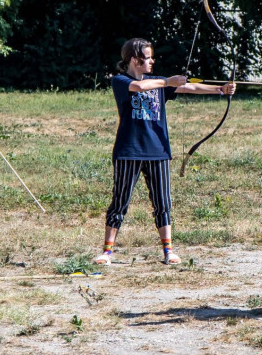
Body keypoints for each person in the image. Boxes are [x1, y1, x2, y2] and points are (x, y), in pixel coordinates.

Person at [93, 38, 236, 266]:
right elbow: (139, 87)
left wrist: (220, 89)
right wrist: (167, 81)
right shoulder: (121, 80)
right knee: (120, 202)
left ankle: (168, 251)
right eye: (147, 58)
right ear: (134, 59)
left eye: (152, 57)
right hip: (129, 151)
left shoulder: (158, 82)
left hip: (158, 151)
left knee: (163, 203)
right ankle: (107, 252)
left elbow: (188, 87)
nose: (152, 61)